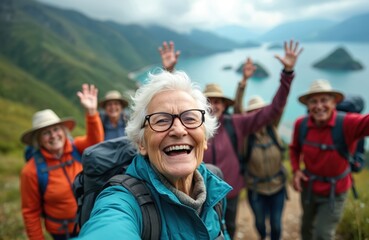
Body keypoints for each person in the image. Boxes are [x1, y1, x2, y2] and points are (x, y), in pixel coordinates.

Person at [159, 40, 302, 239]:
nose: (214, 105)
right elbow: (171, 104)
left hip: (230, 191)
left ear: (225, 106)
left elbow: (273, 110)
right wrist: (169, 73)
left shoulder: (237, 123)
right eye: (209, 101)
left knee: (229, 229)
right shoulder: (189, 128)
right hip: (197, 192)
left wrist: (287, 74)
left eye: (218, 101)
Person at [75, 70, 233, 239]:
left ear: (204, 139)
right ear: (141, 143)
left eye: (190, 118)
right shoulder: (123, 201)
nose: (179, 130)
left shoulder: (214, 187)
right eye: (161, 120)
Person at [20, 84, 104, 240]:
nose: (53, 136)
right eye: (46, 133)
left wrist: (91, 112)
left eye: (56, 129)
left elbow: (95, 142)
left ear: (64, 131)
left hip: (89, 222)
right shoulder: (31, 171)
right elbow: (30, 213)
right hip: (62, 233)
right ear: (39, 140)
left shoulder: (76, 148)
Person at [289, 79, 369, 240]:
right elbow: (294, 148)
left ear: (334, 103)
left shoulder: (347, 123)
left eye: (324, 100)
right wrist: (296, 170)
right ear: (308, 106)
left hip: (336, 191)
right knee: (306, 228)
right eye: (313, 101)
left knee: (323, 235)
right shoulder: (301, 124)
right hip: (309, 188)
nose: (319, 106)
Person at [234, 59, 287, 240]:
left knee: (277, 224)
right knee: (259, 223)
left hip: (278, 186)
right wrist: (243, 83)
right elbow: (237, 110)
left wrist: (287, 74)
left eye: (260, 111)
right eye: (252, 112)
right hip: (256, 189)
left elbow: (279, 105)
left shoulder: (273, 128)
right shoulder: (245, 136)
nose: (256, 115)